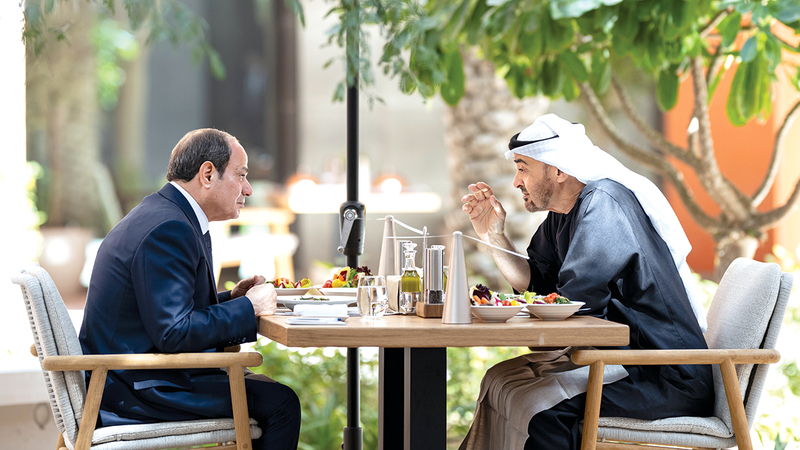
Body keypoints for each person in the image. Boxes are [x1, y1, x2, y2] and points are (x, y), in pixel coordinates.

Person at [458, 114, 713, 450]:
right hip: (622, 361)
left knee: (541, 414)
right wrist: (494, 237)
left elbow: (572, 308)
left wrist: (539, 326)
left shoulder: (604, 204)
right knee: (498, 382)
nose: (517, 181)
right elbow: (537, 284)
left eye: (523, 168)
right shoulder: (563, 214)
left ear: (558, 170)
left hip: (665, 375)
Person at [79, 128, 301, 450]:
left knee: (269, 394)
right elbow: (174, 333)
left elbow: (165, 311)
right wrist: (249, 308)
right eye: (241, 175)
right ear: (207, 174)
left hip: (128, 378)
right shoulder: (169, 227)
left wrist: (232, 299)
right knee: (281, 404)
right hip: (136, 390)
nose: (248, 189)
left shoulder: (166, 213)